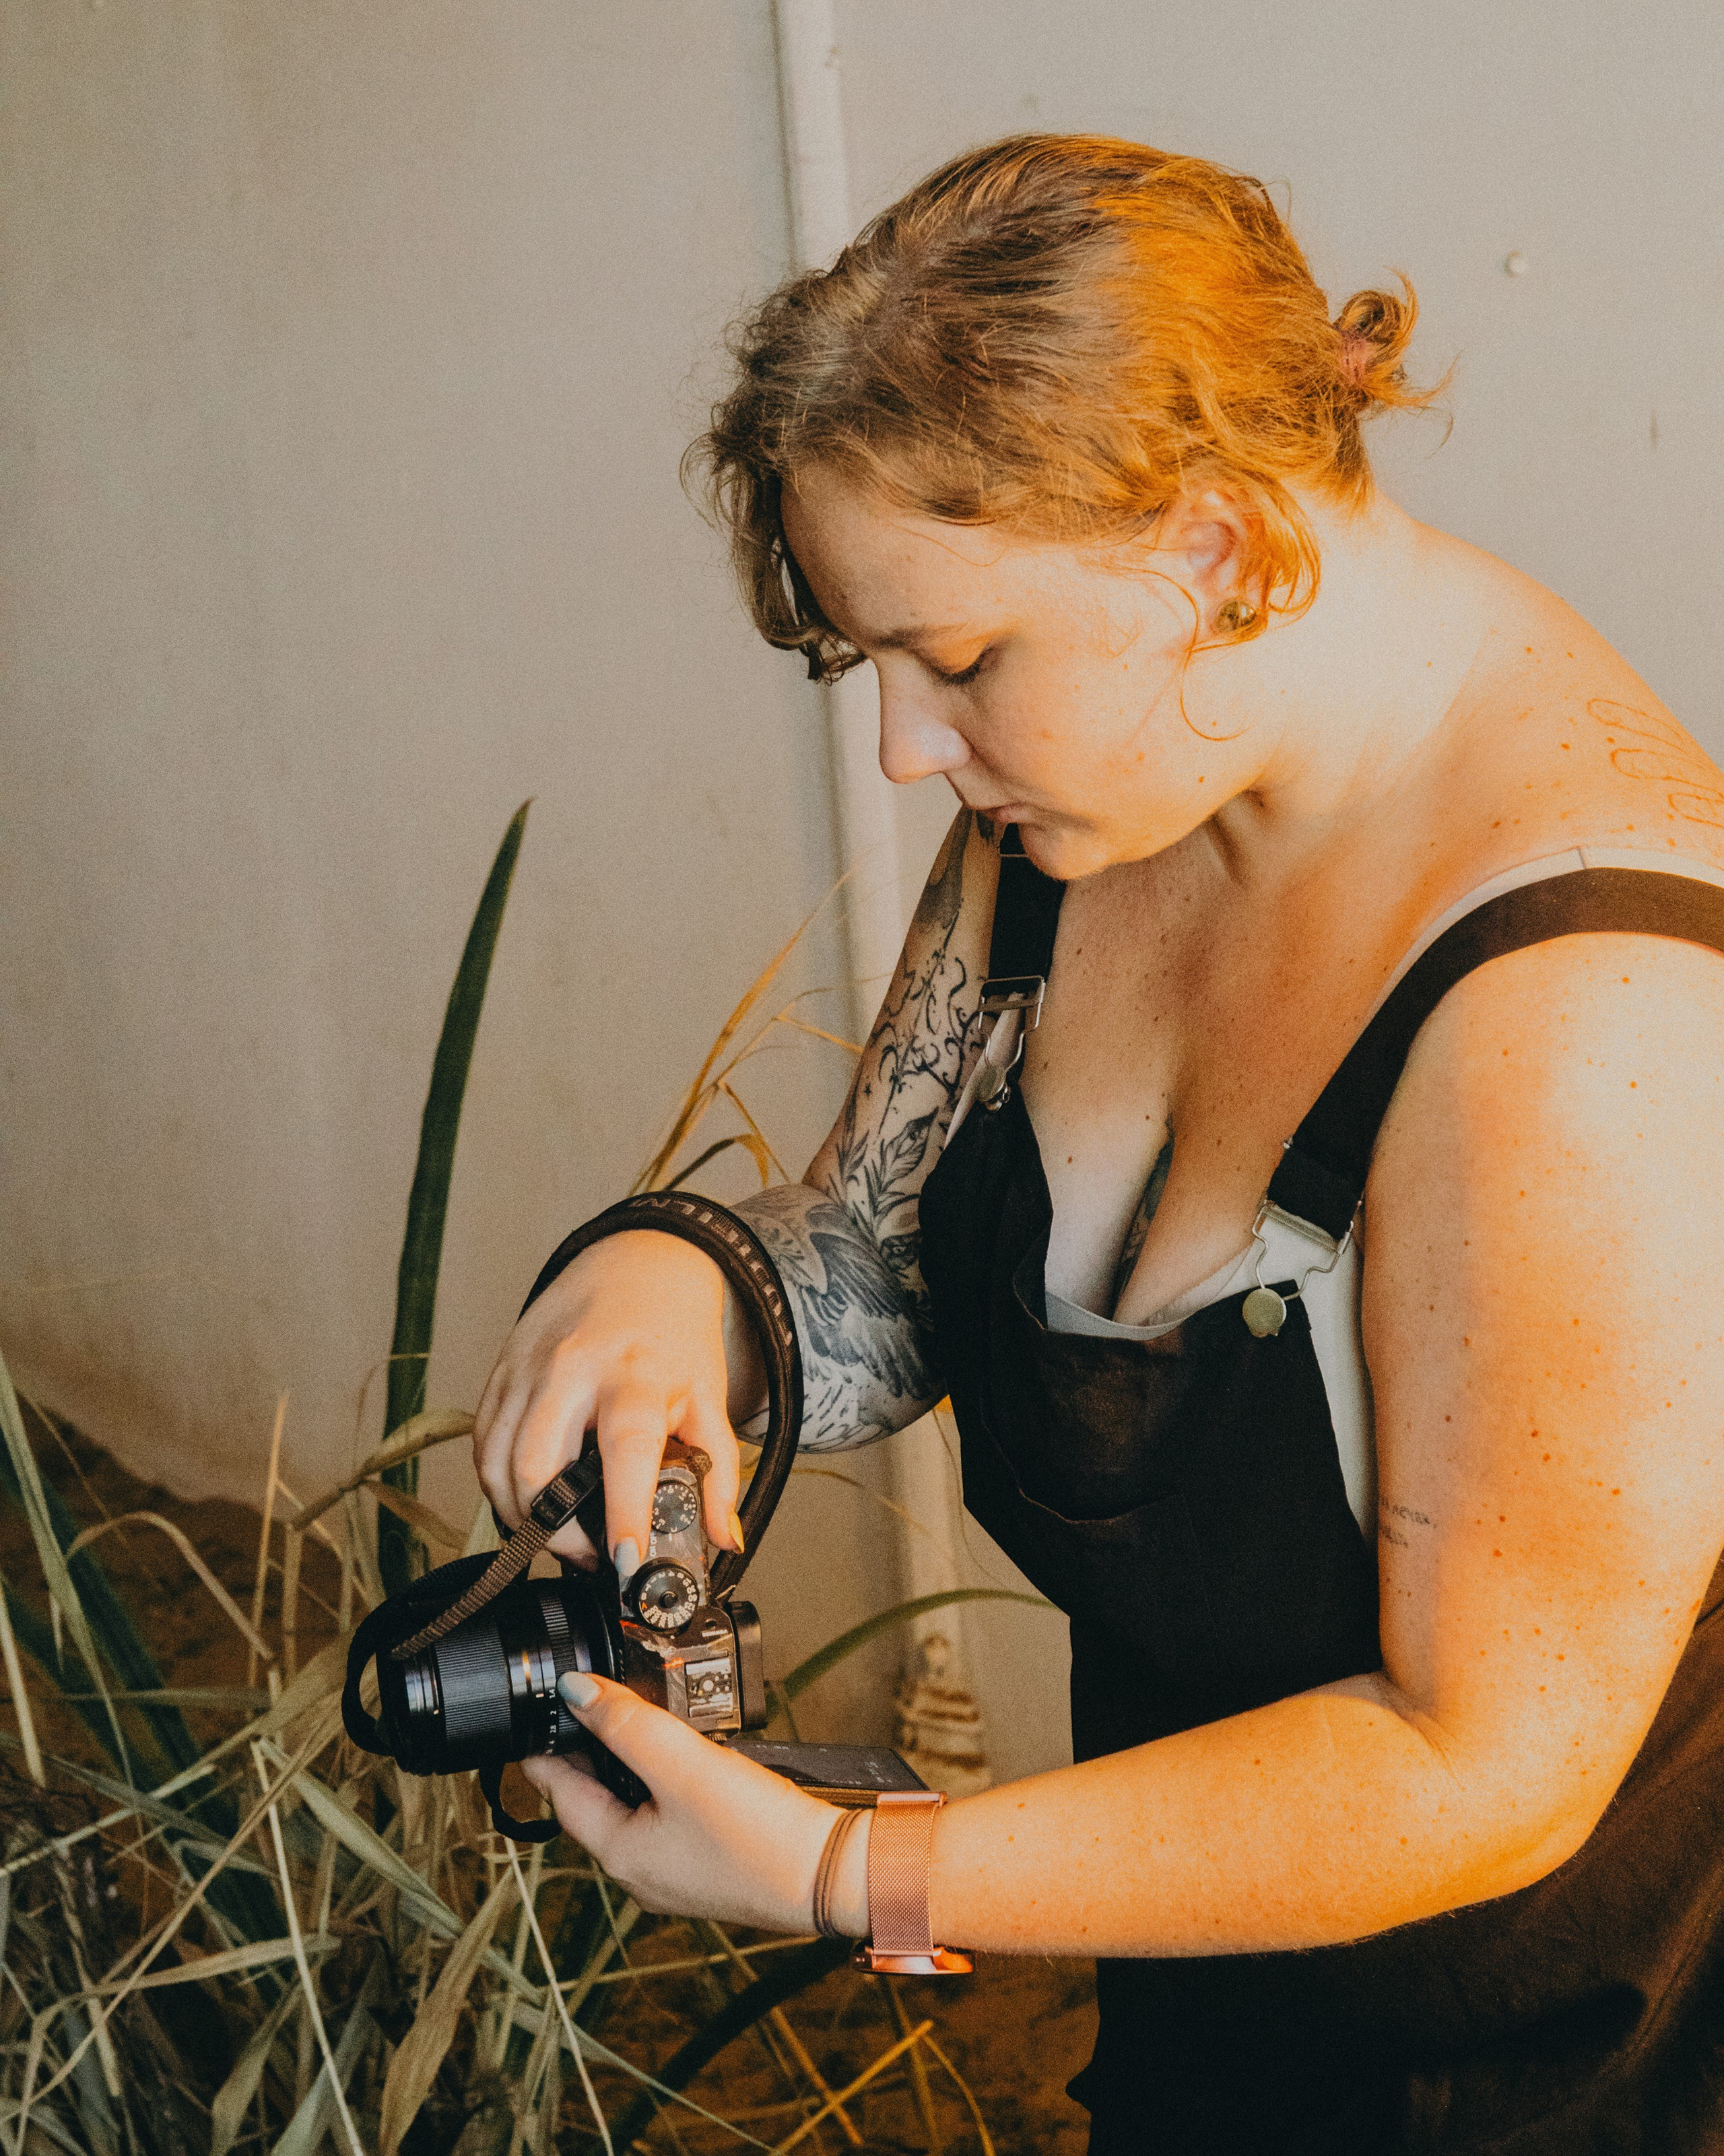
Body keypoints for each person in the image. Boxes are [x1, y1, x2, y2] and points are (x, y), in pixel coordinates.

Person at [472, 135, 1724, 2150]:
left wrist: (847, 1869)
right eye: (867, 659)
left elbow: (1489, 1759)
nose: (902, 749)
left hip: (1544, 2076)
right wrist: (686, 1284)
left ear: (1219, 550)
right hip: (1198, 2008)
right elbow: (885, 1255)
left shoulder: (1593, 1014)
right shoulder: (1085, 814)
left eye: (957, 660)